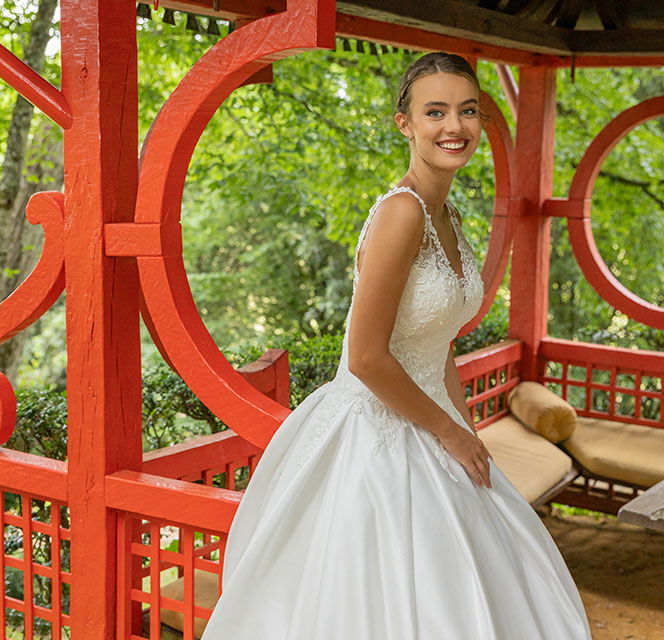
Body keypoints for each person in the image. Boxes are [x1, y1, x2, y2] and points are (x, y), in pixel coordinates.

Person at [200, 51, 592, 639]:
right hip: (375, 435)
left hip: (435, 426)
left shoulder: (449, 216)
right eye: (435, 112)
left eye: (468, 111)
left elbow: (439, 348)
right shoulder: (400, 214)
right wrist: (451, 431)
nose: (454, 127)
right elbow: (364, 357)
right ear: (404, 122)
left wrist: (469, 440)